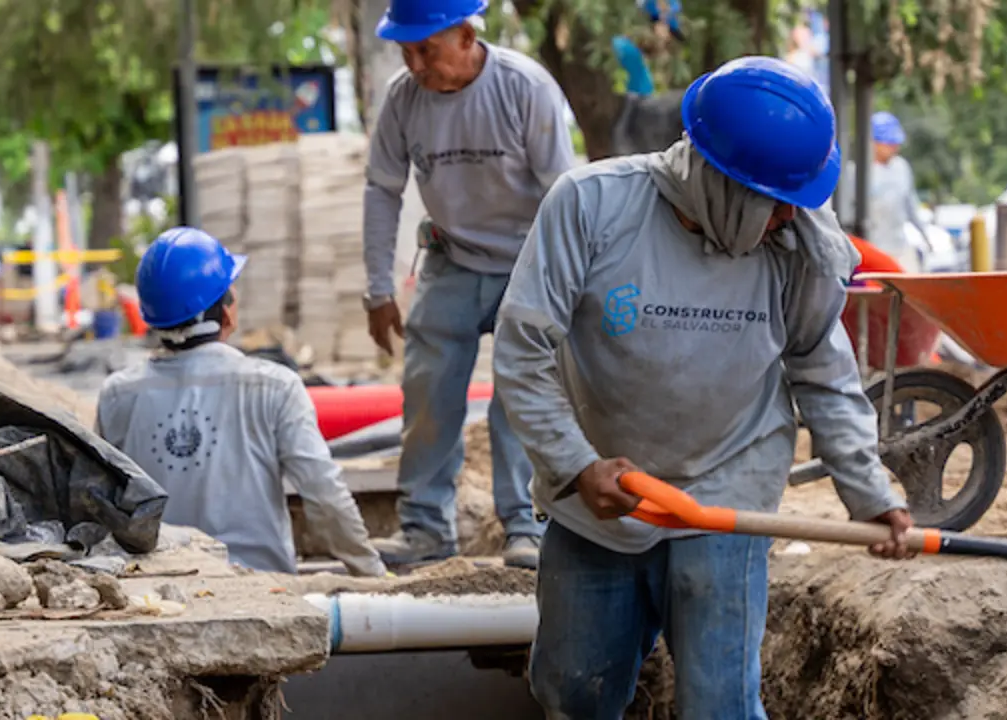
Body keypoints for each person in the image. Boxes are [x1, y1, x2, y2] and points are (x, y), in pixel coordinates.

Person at [493, 57, 914, 719]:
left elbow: (824, 372)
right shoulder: (592, 205)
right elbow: (523, 351)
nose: (790, 215)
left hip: (726, 488)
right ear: (720, 180)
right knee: (574, 693)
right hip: (602, 494)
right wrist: (574, 466)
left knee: (720, 705)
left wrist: (869, 493)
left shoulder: (798, 243)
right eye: (775, 201)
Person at [362, 0, 576, 569]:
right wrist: (378, 289)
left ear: (464, 34)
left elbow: (564, 195)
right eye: (405, 51)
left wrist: (569, 285)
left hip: (529, 262)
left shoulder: (525, 87)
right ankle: (424, 528)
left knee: (522, 396)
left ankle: (526, 525)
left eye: (425, 49)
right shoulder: (403, 100)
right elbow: (381, 189)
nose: (414, 64)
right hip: (451, 259)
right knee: (427, 394)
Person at [96, 227, 386, 578]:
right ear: (226, 312)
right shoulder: (274, 386)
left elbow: (101, 505)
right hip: (263, 586)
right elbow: (324, 494)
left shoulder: (118, 395)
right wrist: (371, 572)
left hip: (161, 584)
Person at [840, 111, 931, 272]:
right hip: (871, 251)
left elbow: (910, 205)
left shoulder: (901, 167)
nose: (895, 147)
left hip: (899, 246)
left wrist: (925, 235)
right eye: (889, 143)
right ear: (873, 143)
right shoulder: (855, 173)